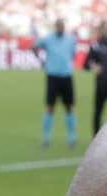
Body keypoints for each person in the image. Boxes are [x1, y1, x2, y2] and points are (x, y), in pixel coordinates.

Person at [33, 19, 77, 148]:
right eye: (58, 26)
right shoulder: (48, 39)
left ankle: (72, 137)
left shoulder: (71, 39)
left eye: (62, 26)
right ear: (55, 27)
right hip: (52, 76)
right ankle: (46, 137)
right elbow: (35, 47)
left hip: (66, 76)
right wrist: (41, 61)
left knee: (69, 107)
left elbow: (72, 55)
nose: (60, 28)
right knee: (50, 107)